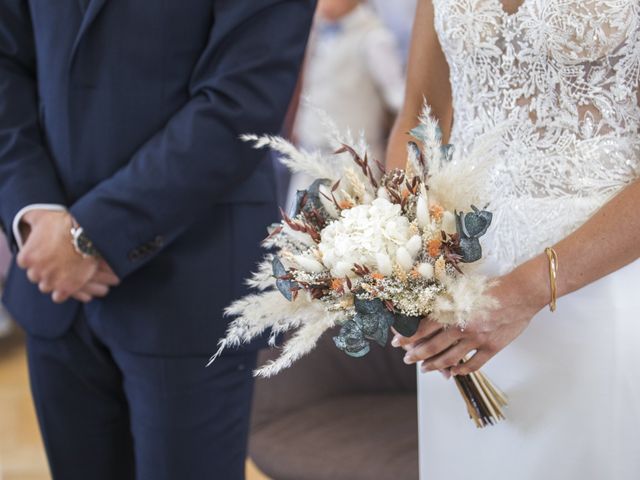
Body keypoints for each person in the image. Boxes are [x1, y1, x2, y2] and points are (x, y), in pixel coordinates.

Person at [0, 1, 315, 479]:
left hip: (191, 280)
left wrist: (93, 234)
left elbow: (241, 100)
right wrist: (33, 209)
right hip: (51, 279)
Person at [388, 1, 640, 479]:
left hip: (600, 283)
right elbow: (421, 120)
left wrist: (522, 294)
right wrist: (400, 248)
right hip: (458, 294)